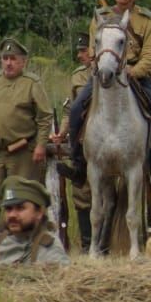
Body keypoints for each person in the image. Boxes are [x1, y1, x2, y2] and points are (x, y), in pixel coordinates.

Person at [59, 0, 151, 189]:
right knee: (76, 110)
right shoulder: (101, 16)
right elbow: (94, 49)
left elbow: (150, 54)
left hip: (136, 74)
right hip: (105, 72)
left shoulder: (147, 19)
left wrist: (134, 71)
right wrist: (100, 66)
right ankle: (78, 164)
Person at [0, 38, 55, 241]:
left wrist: (41, 145)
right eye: (5, 58)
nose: (8, 63)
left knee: (22, 198)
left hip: (22, 152)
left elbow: (44, 117)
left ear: (23, 62)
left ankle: (24, 244)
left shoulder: (32, 84)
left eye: (13, 59)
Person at [0, 176, 70, 267]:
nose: (12, 215)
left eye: (20, 208)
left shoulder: (48, 246)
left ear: (39, 212)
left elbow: (60, 279)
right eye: (8, 209)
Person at [59, 33, 94, 251]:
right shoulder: (78, 77)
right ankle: (86, 243)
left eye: (83, 50)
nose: (79, 55)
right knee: (82, 192)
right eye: (79, 51)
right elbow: (68, 110)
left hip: (112, 142)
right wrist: (62, 133)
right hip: (83, 141)